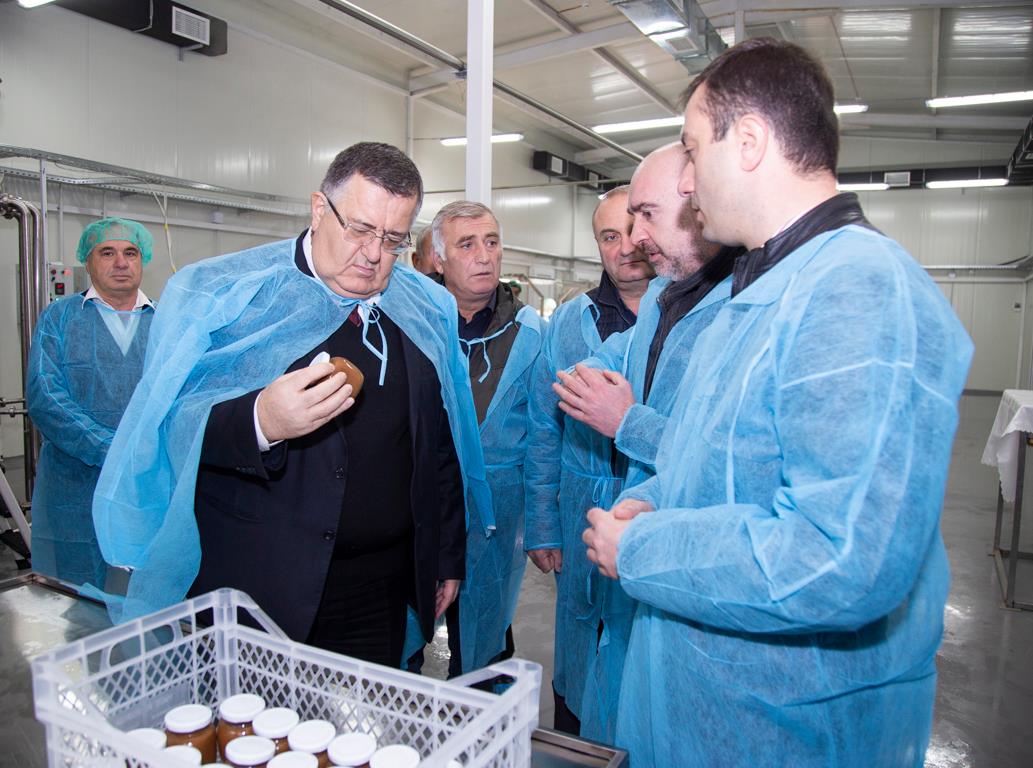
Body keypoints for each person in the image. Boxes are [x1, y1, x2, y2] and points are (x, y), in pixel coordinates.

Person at [582, 38, 974, 768]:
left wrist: (643, 548)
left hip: (787, 725)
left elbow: (839, 556)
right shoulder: (762, 291)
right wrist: (656, 500)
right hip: (711, 700)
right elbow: (725, 459)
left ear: (750, 141)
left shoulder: (859, 289)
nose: (688, 181)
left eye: (693, 150)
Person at [92, 143, 491, 670]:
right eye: (359, 229)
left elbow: (442, 442)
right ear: (319, 209)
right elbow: (169, 427)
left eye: (393, 239)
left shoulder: (423, 307)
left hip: (383, 587)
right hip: (260, 587)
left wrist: (445, 554)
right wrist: (260, 421)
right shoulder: (225, 296)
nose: (373, 254)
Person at [552, 143, 741, 742]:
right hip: (641, 525)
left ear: (695, 200)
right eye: (621, 226)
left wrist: (628, 422)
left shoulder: (740, 307)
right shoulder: (664, 298)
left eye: (646, 216)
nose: (634, 239)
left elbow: (731, 461)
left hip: (700, 555)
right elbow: (614, 363)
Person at [523, 185, 654, 734]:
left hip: (655, 514)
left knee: (645, 652)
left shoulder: (687, 319)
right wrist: (543, 525)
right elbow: (543, 428)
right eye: (609, 236)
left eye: (632, 231)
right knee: (580, 635)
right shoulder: (570, 323)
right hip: (581, 515)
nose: (624, 248)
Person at [422, 200, 543, 675]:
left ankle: (484, 707)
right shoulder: (414, 322)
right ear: (438, 259)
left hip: (498, 513)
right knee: (408, 631)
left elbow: (545, 436)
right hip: (422, 505)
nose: (484, 256)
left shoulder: (530, 333)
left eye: (491, 242)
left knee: (485, 639)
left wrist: (542, 525)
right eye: (467, 245)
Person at [26, 217, 156, 588]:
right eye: (107, 253)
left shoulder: (165, 321)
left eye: (130, 253)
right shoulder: (59, 318)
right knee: (76, 595)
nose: (121, 262)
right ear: (88, 261)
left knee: (149, 592)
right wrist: (110, 448)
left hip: (147, 480)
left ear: (142, 260)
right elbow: (45, 396)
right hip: (74, 483)